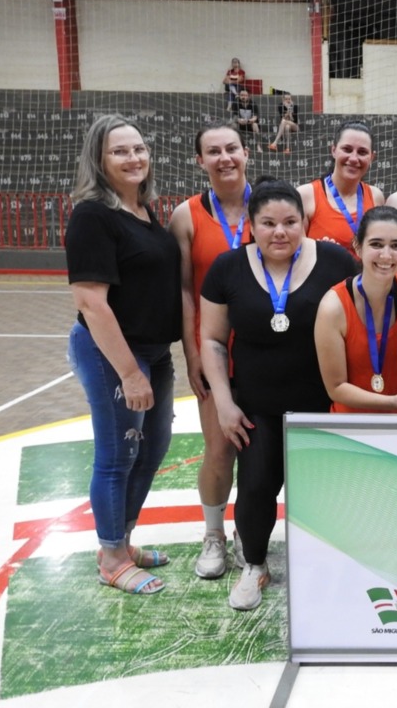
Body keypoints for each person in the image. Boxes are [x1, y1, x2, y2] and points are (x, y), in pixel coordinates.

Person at [199, 178, 357, 610]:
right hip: (256, 407)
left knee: (324, 492)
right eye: (268, 223)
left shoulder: (335, 260)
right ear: (252, 225)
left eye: (290, 222)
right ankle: (254, 564)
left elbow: (361, 317)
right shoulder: (227, 268)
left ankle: (326, 564)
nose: (280, 232)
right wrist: (225, 403)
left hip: (323, 404)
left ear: (304, 223)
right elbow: (212, 340)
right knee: (254, 487)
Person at [65, 114, 181, 594]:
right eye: (120, 151)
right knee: (116, 456)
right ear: (99, 159)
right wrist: (130, 374)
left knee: (151, 450)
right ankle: (111, 557)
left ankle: (124, 540)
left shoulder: (146, 212)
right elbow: (91, 302)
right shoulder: (93, 215)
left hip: (154, 352)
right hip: (114, 354)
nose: (133, 158)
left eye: (138, 148)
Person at [168, 121, 252, 580]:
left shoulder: (275, 207)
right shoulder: (186, 215)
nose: (225, 158)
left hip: (264, 353)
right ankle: (214, 535)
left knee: (266, 455)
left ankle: (250, 534)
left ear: (246, 153)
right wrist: (192, 353)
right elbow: (183, 291)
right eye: (214, 151)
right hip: (213, 352)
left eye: (232, 148)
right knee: (218, 450)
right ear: (200, 161)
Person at [315, 206, 397, 413]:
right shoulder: (333, 307)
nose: (386, 255)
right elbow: (335, 388)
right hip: (348, 432)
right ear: (358, 247)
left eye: (396, 246)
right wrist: (392, 402)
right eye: (376, 244)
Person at [297, 120, 384, 257]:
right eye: (347, 149)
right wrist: (321, 254)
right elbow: (297, 256)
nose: (354, 158)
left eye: (362, 152)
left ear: (372, 157)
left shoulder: (376, 196)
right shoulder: (306, 195)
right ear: (334, 150)